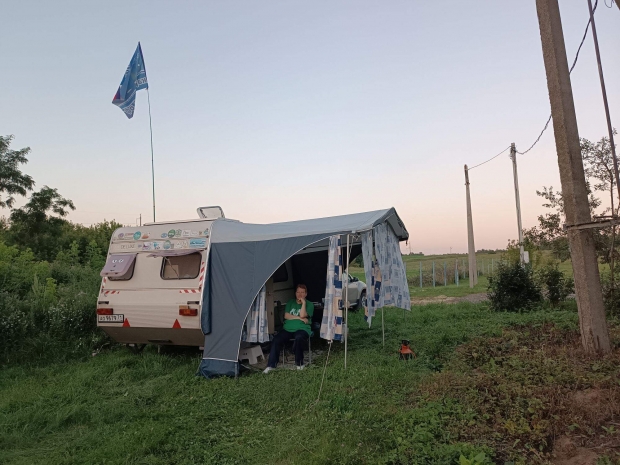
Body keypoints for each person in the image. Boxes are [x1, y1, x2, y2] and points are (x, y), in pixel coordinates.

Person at [263, 284, 314, 373]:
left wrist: (303, 303)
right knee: (276, 339)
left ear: (306, 294)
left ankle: (299, 364)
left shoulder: (309, 304)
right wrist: (299, 318)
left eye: (302, 292)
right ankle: (271, 366)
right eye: (298, 292)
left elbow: (303, 315)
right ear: (295, 293)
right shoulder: (290, 302)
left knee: (299, 337)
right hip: (288, 329)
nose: (300, 294)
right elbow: (286, 316)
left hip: (302, 329)